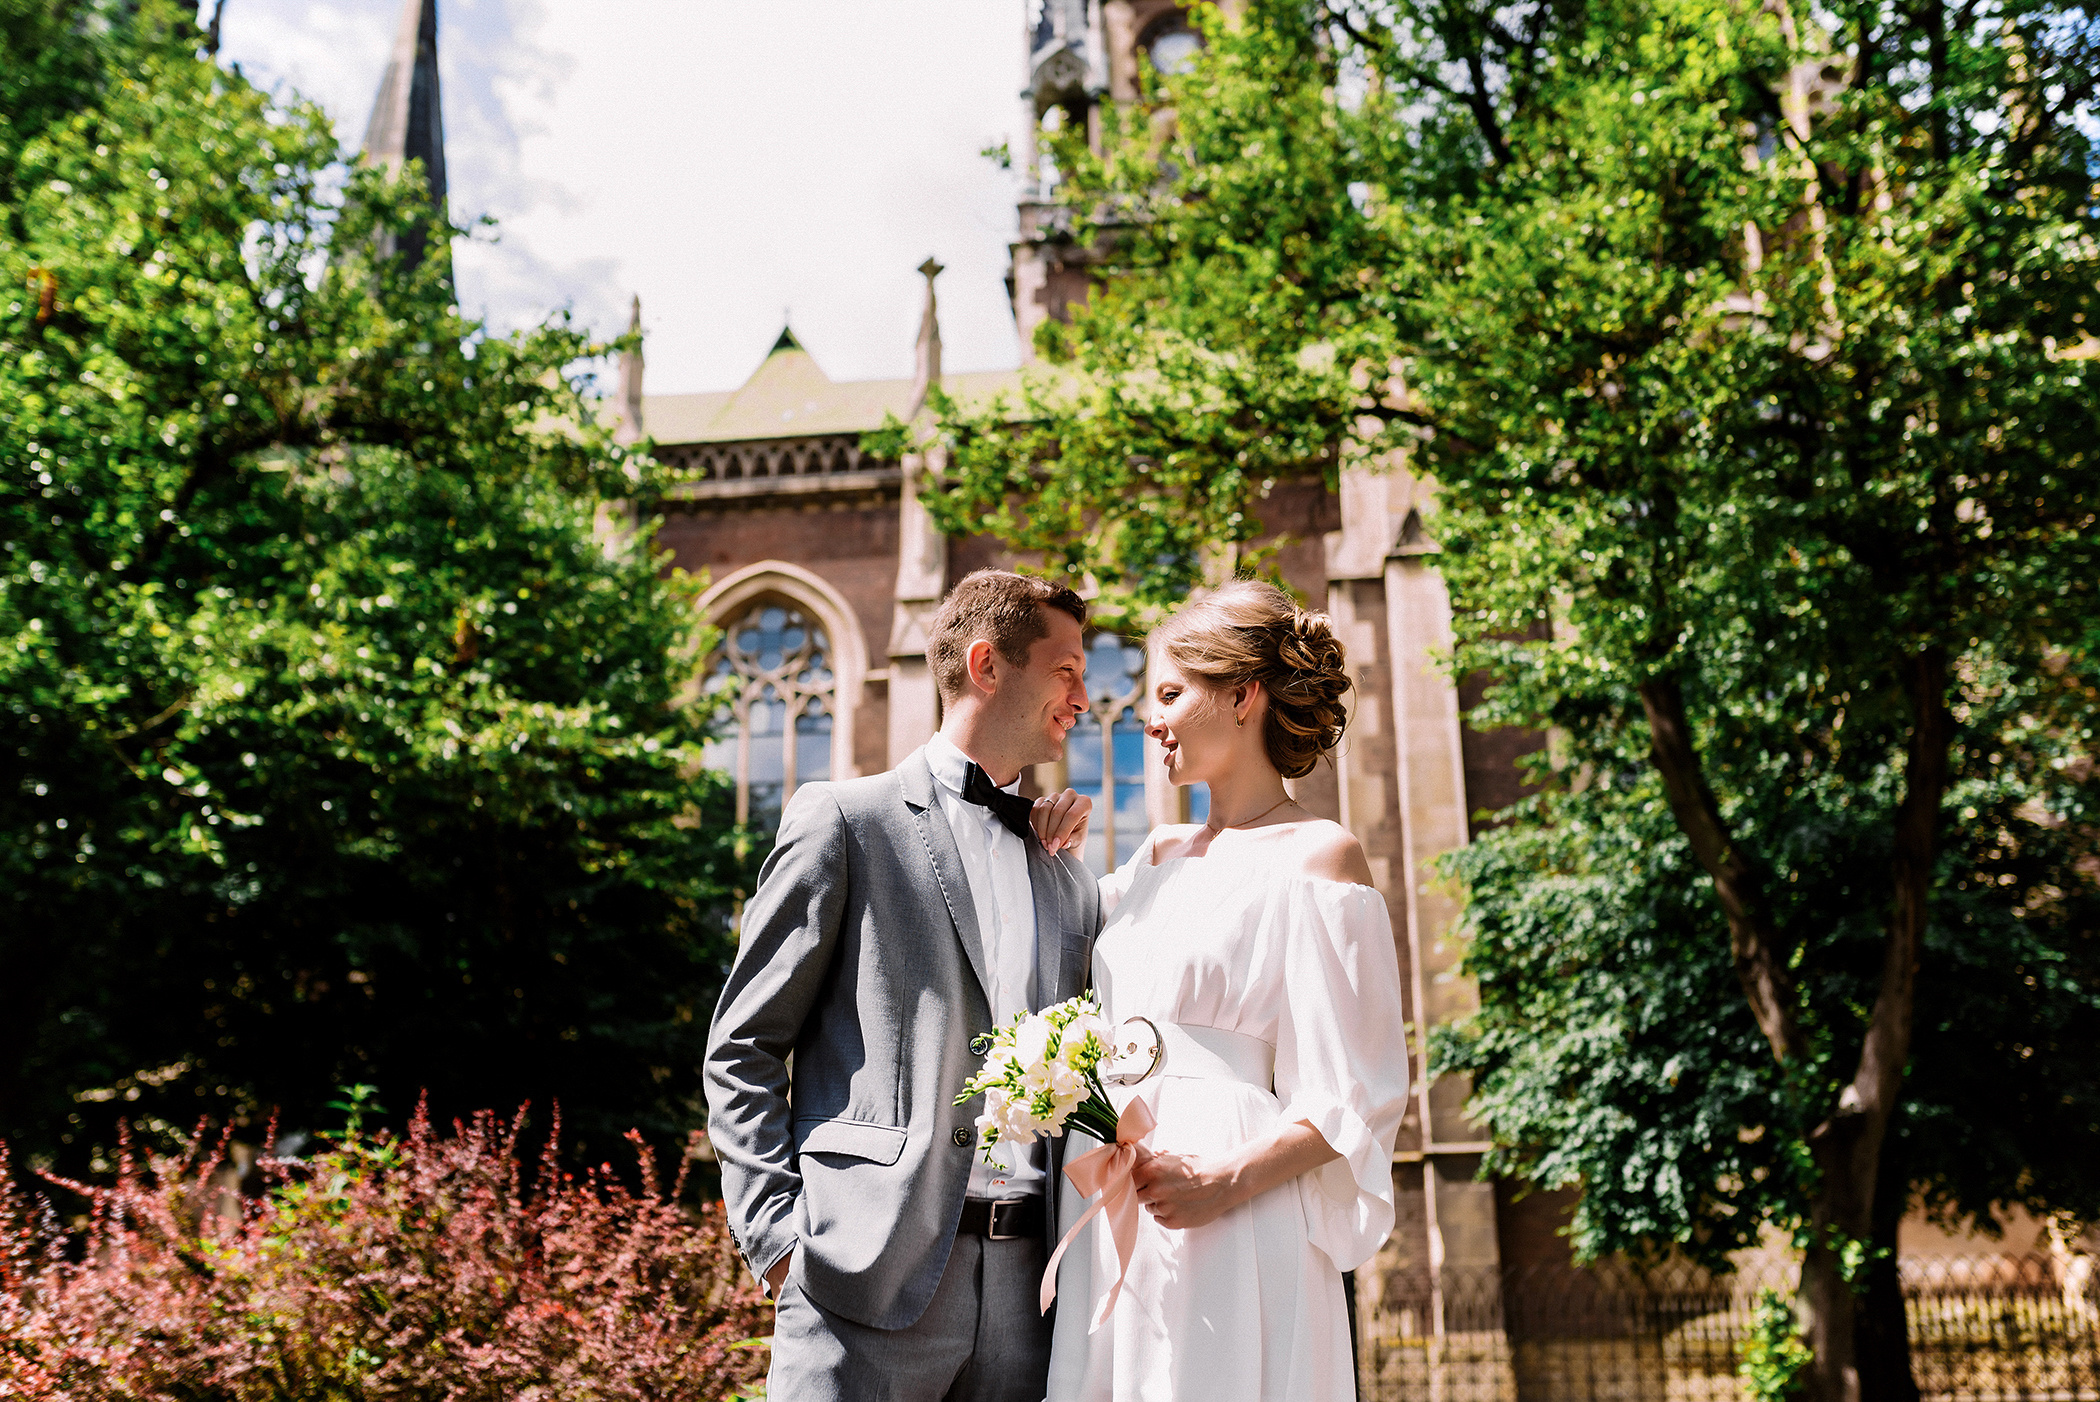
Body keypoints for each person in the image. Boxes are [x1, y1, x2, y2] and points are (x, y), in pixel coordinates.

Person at [704, 569, 1102, 1402]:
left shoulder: (1066, 875)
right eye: (1066, 670)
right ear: (989, 666)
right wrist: (778, 1238)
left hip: (1033, 1297)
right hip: (863, 1281)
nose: (1085, 696)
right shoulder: (845, 821)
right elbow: (743, 1044)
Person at [1045, 580, 1411, 1402]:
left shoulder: (1320, 858)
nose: (1150, 718)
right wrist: (1047, 843)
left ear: (1243, 695)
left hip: (1235, 1202)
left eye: (1171, 693)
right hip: (1116, 1184)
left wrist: (1226, 1181)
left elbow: (1360, 1088)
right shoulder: (1150, 860)